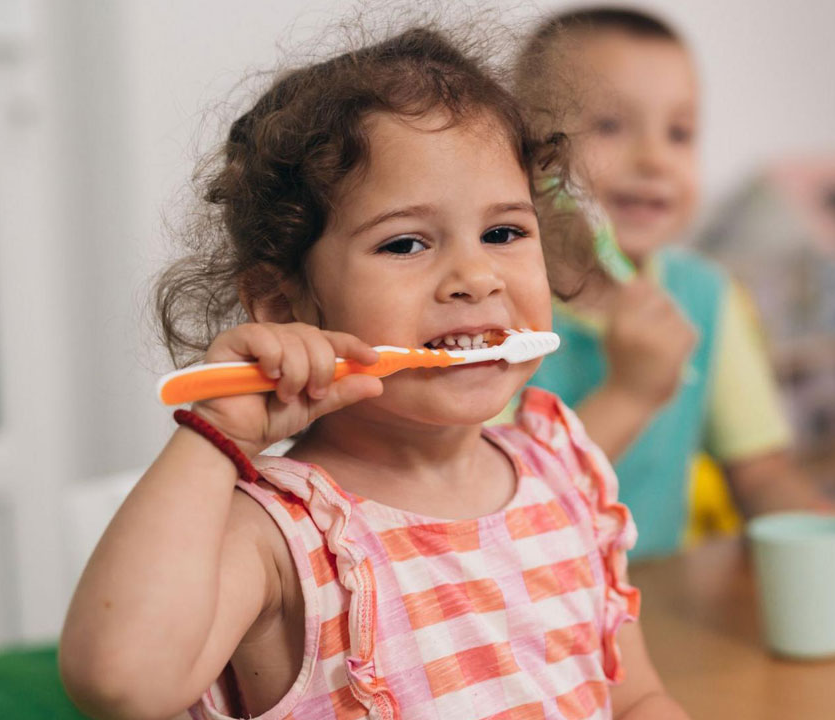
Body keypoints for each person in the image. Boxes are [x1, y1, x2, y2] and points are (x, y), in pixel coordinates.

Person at [59, 24, 688, 720]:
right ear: (281, 303)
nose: (475, 277)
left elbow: (634, 698)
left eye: (504, 232)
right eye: (405, 242)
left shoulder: (567, 473)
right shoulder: (283, 533)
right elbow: (121, 683)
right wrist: (215, 436)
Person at [512, 7, 835, 589]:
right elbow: (498, 516)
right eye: (611, 125)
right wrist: (630, 392)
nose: (655, 159)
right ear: (528, 154)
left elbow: (761, 473)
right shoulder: (494, 307)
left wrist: (819, 528)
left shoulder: (707, 297)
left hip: (657, 611)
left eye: (680, 133)